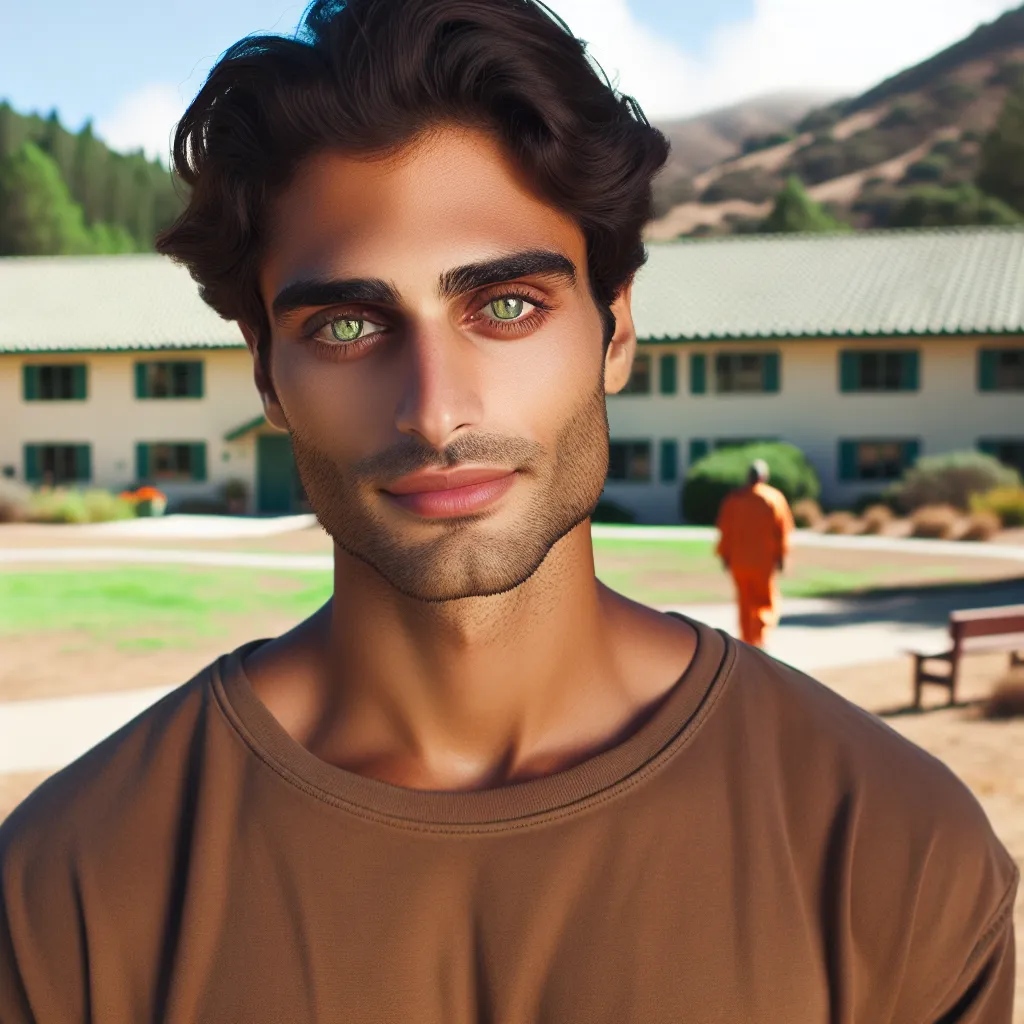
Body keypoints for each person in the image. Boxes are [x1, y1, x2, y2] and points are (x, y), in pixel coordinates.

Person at [0, 1, 1017, 1020]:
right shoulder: (65, 888)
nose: (435, 408)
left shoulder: (889, 846)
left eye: (506, 306)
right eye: (348, 324)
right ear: (267, 373)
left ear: (613, 329)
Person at [715, 458, 795, 648]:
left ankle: (747, 641)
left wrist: (725, 555)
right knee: (764, 602)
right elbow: (783, 531)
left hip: (739, 562)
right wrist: (782, 556)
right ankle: (759, 638)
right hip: (763, 562)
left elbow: (724, 531)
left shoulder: (734, 500)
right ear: (764, 477)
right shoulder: (773, 498)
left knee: (745, 602)